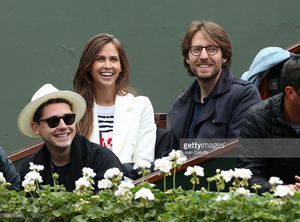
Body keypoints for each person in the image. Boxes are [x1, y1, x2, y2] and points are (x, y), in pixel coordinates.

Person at [168, 20, 261, 151]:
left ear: (225, 57)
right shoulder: (182, 103)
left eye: (212, 49)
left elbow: (238, 154)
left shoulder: (244, 96)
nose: (204, 56)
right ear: (187, 58)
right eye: (196, 49)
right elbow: (169, 159)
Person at [18, 84, 124, 192]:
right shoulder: (29, 168)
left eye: (68, 118)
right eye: (53, 121)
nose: (63, 126)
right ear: (36, 128)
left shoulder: (102, 160)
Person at [73, 33, 156, 164]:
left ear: (121, 66)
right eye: (100, 59)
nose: (108, 65)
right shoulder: (75, 109)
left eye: (113, 59)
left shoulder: (141, 106)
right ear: (88, 65)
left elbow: (143, 163)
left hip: (131, 183)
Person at [237, 55, 300, 193]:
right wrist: (281, 190)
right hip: (271, 206)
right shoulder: (258, 117)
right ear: (290, 92)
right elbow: (249, 174)